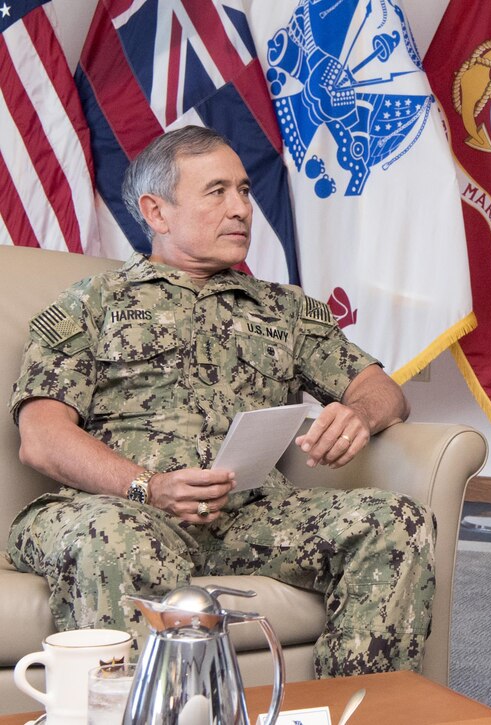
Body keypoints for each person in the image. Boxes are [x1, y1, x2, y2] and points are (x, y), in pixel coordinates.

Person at [7, 125, 435, 677]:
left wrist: (358, 414)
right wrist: (149, 487)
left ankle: (354, 711)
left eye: (245, 190)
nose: (241, 209)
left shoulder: (284, 310)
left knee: (395, 520)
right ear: (156, 213)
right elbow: (41, 437)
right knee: (111, 537)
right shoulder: (94, 304)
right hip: (121, 511)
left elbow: (381, 390)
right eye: (217, 192)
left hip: (250, 520)